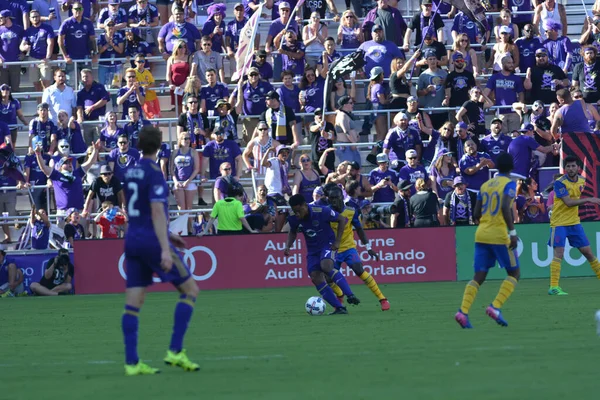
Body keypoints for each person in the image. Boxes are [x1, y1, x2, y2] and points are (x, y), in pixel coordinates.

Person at [121, 125, 200, 376]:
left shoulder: (130, 172)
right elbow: (156, 210)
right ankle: (175, 351)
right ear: (159, 146)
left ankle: (132, 363)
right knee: (190, 290)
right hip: (151, 242)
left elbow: (136, 208)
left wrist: (168, 234)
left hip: (132, 239)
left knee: (133, 302)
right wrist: (165, 247)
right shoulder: (154, 172)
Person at [455, 153, 520, 329]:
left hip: (481, 233)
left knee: (479, 276)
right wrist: (512, 232)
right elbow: (506, 207)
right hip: (499, 235)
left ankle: (463, 311)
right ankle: (495, 307)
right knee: (514, 273)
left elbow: (476, 214)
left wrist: (487, 223)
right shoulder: (510, 184)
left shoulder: (485, 185)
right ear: (511, 167)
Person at [284, 194, 358, 315]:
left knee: (326, 266)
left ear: (304, 206)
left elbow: (342, 219)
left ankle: (350, 295)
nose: (297, 214)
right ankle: (339, 308)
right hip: (312, 250)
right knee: (314, 276)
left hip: (327, 244)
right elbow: (293, 231)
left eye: (298, 211)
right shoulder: (293, 217)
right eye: (294, 211)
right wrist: (288, 246)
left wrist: (337, 241)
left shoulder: (321, 211)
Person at [322, 183, 390, 310]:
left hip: (348, 248)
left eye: (336, 198)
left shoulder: (351, 211)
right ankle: (340, 295)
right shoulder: (326, 212)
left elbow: (359, 229)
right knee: (328, 277)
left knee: (359, 269)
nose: (333, 201)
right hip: (333, 250)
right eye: (331, 199)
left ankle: (382, 299)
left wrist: (368, 248)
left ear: (342, 198)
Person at [547, 156, 600, 295]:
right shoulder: (560, 183)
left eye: (573, 166)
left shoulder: (582, 181)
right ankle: (553, 286)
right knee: (559, 253)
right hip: (559, 223)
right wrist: (589, 199)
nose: (570, 169)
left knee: (588, 252)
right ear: (565, 168)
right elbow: (569, 203)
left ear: (578, 168)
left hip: (574, 222)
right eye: (568, 166)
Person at [36, 140, 99, 217]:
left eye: (70, 162)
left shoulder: (77, 173)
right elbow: (43, 167)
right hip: (63, 212)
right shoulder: (56, 175)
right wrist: (38, 154)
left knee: (80, 229)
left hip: (78, 211)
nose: (69, 164)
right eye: (66, 163)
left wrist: (95, 150)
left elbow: (90, 162)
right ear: (60, 166)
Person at [483, 56, 524, 134]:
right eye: (509, 63)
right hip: (500, 112)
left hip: (513, 112)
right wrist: (490, 102)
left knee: (515, 135)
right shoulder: (494, 77)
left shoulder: (516, 78)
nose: (511, 65)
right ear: (503, 64)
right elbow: (486, 92)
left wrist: (520, 108)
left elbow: (521, 94)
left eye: (512, 63)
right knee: (502, 136)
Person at [58, 2, 97, 81]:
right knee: (71, 82)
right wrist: (65, 56)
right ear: (72, 10)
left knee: (87, 82)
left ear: (83, 10)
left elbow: (92, 40)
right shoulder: (66, 23)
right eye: (76, 9)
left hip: (85, 57)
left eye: (80, 9)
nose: (78, 11)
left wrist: (94, 54)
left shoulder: (88, 23)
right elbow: (60, 41)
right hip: (71, 58)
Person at [21, 9, 55, 92]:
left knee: (46, 83)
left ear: (40, 17)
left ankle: (46, 104)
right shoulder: (28, 31)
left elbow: (50, 43)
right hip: (32, 58)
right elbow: (22, 45)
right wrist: (24, 47)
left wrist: (47, 57)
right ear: (30, 19)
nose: (35, 18)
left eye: (37, 16)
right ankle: (39, 104)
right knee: (36, 85)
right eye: (33, 17)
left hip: (44, 59)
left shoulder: (47, 28)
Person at [172, 131, 200, 232]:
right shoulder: (176, 152)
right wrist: (175, 181)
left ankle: (190, 230)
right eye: (185, 139)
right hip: (178, 182)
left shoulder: (193, 152)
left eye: (188, 138)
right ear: (180, 140)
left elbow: (196, 169)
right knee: (182, 208)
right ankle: (182, 230)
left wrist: (188, 181)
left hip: (190, 182)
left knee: (189, 208)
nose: (187, 141)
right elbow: (171, 169)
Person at [416, 49, 448, 129]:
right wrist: (426, 90)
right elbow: (418, 93)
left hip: (442, 110)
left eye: (434, 58)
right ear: (426, 61)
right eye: (430, 59)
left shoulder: (444, 74)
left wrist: (446, 83)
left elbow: (449, 89)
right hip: (428, 110)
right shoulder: (423, 75)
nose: (433, 61)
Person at [77, 69, 110, 145]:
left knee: (98, 145)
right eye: (83, 77)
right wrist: (79, 116)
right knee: (88, 146)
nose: (85, 79)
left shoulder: (99, 87)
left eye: (87, 76)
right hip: (86, 122)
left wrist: (92, 107)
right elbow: (79, 107)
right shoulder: (81, 93)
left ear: (92, 77)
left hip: (98, 121)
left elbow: (105, 100)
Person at [0, 10, 24, 92]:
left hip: (15, 62)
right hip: (3, 62)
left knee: (15, 88)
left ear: (7, 18)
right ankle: (3, 105)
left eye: (1, 18)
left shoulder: (19, 29)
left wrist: (23, 53)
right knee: (3, 89)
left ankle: (16, 104)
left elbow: (26, 41)